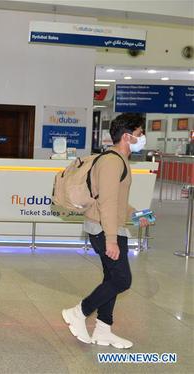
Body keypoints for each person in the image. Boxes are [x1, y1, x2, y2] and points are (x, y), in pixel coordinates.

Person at [62, 113, 152, 348]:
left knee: (112, 278)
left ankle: (103, 329)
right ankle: (79, 312)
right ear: (127, 136)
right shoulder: (113, 162)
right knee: (122, 279)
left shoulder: (117, 160)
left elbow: (115, 199)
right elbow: (108, 204)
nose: (142, 138)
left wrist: (135, 214)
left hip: (107, 226)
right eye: (140, 134)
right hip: (105, 229)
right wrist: (111, 239)